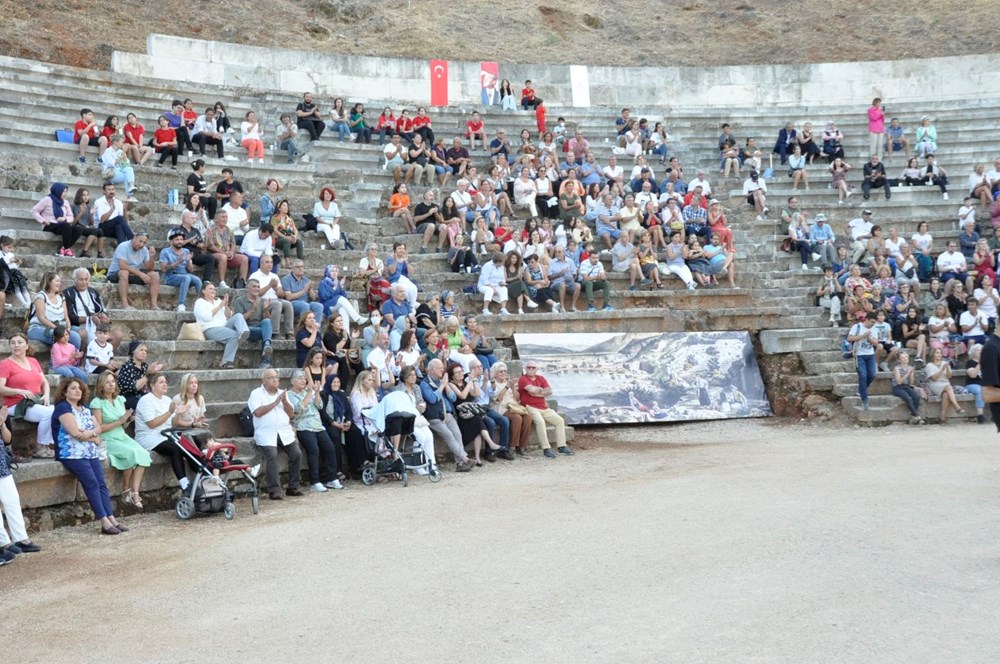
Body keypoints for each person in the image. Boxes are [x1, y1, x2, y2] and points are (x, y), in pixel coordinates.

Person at [52, 377, 130, 535]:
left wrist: (91, 433)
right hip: (71, 453)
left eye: (79, 388)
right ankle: (104, 522)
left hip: (89, 451)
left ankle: (111, 518)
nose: (77, 391)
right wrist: (94, 437)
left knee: (101, 483)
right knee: (92, 483)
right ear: (64, 392)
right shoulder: (63, 408)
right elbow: (75, 433)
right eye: (73, 388)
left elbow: (98, 427)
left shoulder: (84, 407)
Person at [90, 372, 152, 508]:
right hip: (107, 438)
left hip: (121, 435)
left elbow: (123, 425)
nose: (111, 384)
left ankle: (135, 492)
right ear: (101, 386)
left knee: (143, 453)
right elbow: (99, 427)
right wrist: (120, 421)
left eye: (113, 381)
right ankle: (125, 489)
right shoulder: (97, 402)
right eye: (107, 382)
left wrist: (128, 420)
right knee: (130, 453)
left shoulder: (120, 400)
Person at [249, 369, 303, 500]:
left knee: (296, 453)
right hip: (266, 432)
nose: (275, 380)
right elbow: (257, 412)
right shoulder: (256, 393)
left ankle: (293, 487)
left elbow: (291, 413)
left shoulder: (283, 393)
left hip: (284, 431)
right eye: (271, 377)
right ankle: (274, 490)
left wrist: (284, 401)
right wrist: (275, 403)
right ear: (264, 381)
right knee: (272, 456)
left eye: (276, 377)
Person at [0, 333, 54, 458]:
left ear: (27, 346)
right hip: (14, 405)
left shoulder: (33, 361)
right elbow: (0, 388)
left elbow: (44, 382)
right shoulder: (6, 364)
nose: (16, 345)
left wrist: (46, 394)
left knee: (55, 409)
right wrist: (18, 391)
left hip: (32, 402)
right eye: (13, 343)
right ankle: (40, 447)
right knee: (48, 413)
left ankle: (50, 445)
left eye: (19, 342)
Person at [287, 370, 339, 493]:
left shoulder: (308, 391)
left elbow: (320, 406)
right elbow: (299, 408)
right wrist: (310, 392)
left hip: (317, 425)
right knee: (313, 449)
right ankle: (314, 481)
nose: (303, 380)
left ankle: (332, 478)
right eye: (300, 378)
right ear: (292, 381)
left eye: (304, 378)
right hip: (302, 425)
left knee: (330, 447)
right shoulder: (290, 395)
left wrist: (316, 392)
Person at [0, 405, 41, 559]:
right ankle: (4, 542)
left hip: (1, 464)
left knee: (12, 500)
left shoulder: (2, 411)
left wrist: (2, 424)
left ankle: (21, 539)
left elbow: (7, 440)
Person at [420, 359, 474, 472]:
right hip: (434, 417)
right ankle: (465, 458)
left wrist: (446, 386)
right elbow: (432, 399)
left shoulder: (442, 381)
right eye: (439, 368)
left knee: (457, 435)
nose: (442, 370)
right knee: (449, 435)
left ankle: (460, 463)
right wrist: (442, 386)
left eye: (442, 367)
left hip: (447, 414)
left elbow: (453, 398)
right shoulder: (425, 383)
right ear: (431, 370)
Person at [517, 360, 573, 458]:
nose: (530, 369)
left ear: (536, 369)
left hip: (543, 407)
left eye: (533, 368)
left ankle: (561, 447)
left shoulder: (541, 378)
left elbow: (550, 391)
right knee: (540, 422)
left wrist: (536, 393)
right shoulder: (523, 379)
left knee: (559, 420)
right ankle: (546, 448)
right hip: (530, 406)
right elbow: (531, 390)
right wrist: (540, 392)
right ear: (525, 369)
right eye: (528, 367)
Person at [194, 282, 249, 369]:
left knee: (238, 315)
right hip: (209, 329)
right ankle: (225, 362)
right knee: (234, 335)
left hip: (224, 326)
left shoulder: (218, 301)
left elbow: (229, 316)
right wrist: (221, 305)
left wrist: (226, 306)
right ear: (203, 291)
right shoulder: (200, 302)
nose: (213, 290)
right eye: (210, 289)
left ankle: (243, 332)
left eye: (214, 289)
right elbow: (206, 317)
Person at [28, 272, 81, 350]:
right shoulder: (40, 297)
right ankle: (69, 360)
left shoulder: (61, 297)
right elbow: (41, 318)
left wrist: (68, 327)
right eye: (57, 281)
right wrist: (58, 329)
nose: (59, 283)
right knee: (74, 337)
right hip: (39, 328)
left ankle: (78, 359)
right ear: (49, 282)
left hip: (60, 326)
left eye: (60, 281)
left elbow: (66, 316)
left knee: (82, 332)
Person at [231, 279, 277, 368]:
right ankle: (265, 361)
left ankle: (267, 345)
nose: (257, 289)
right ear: (247, 288)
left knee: (267, 322)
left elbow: (267, 321)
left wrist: (266, 309)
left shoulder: (261, 301)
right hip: (246, 329)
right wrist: (253, 310)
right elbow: (239, 320)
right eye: (254, 286)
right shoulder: (239, 300)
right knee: (265, 333)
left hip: (259, 328)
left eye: (258, 287)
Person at [108, 232, 160, 310]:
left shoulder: (144, 249)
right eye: (140, 241)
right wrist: (140, 274)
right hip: (116, 274)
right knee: (124, 272)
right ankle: (125, 305)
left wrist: (152, 257)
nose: (142, 244)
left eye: (144, 243)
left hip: (133, 274)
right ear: (134, 238)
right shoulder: (123, 246)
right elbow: (123, 266)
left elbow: (149, 268)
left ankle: (154, 305)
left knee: (154, 275)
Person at [32, 182, 83, 256]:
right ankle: (67, 249)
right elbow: (34, 211)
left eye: (66, 191)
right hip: (49, 224)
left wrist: (64, 218)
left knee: (78, 229)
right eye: (63, 191)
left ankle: (62, 249)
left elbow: (71, 217)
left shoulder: (65, 202)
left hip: (62, 224)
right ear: (57, 191)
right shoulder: (47, 200)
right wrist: (43, 220)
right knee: (66, 226)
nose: (65, 193)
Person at [159, 229, 202, 312]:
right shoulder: (165, 251)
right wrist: (177, 262)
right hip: (171, 275)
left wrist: (188, 260)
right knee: (186, 278)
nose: (180, 242)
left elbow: (190, 270)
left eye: (181, 240)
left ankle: (199, 304)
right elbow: (163, 269)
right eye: (177, 240)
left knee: (198, 281)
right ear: (171, 241)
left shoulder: (186, 251)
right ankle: (181, 304)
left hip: (185, 273)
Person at [924, 348, 965, 425]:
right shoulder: (929, 365)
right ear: (933, 355)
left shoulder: (944, 363)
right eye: (937, 353)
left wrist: (948, 369)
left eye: (940, 353)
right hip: (935, 384)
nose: (939, 354)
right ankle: (956, 406)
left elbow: (949, 377)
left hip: (945, 383)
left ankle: (942, 418)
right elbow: (934, 378)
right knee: (948, 387)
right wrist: (942, 369)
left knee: (946, 395)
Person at [847, 312, 878, 410]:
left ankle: (861, 390)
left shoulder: (874, 329)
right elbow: (850, 338)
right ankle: (864, 400)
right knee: (863, 375)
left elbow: (876, 343)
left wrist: (869, 337)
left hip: (870, 354)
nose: (873, 324)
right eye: (872, 322)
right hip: (859, 355)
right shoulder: (857, 327)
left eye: (874, 323)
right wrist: (863, 336)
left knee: (872, 374)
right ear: (866, 319)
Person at [890, 352, 924, 424]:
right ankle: (916, 415)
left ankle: (913, 415)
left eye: (906, 357)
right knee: (907, 398)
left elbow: (911, 382)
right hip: (897, 388)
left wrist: (911, 374)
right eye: (903, 357)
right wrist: (907, 373)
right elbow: (899, 382)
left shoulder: (910, 368)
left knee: (916, 397)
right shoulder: (897, 368)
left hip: (906, 386)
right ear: (899, 360)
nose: (905, 359)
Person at [965, 344, 986, 424]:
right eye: (978, 350)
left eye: (981, 350)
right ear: (973, 352)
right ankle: (980, 415)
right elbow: (972, 375)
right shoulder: (969, 363)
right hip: (972, 384)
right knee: (980, 391)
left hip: (984, 384)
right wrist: (980, 363)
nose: (980, 351)